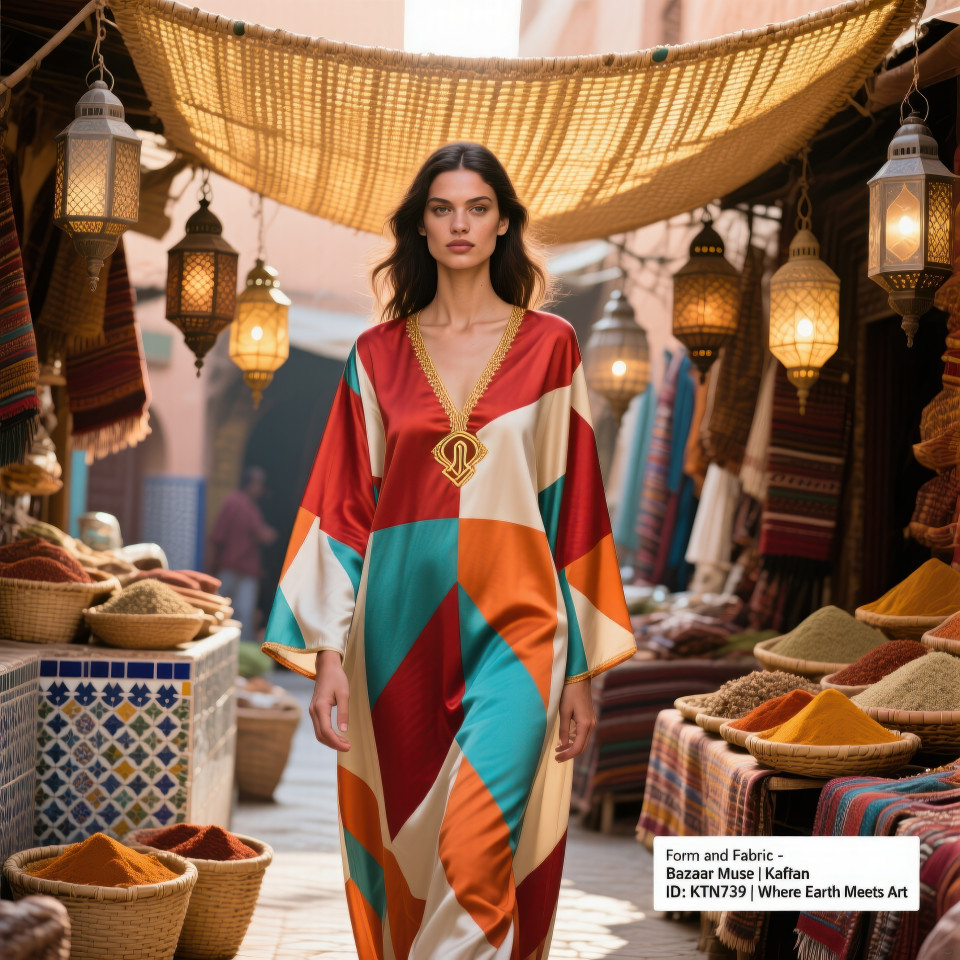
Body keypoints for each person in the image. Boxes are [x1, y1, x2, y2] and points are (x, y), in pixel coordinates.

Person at [261, 142, 636, 959]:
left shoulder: (552, 347)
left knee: (475, 850)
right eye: (442, 208)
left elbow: (574, 508)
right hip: (398, 640)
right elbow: (343, 509)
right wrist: (328, 654)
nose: (459, 223)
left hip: (521, 632)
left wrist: (579, 671)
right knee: (408, 858)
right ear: (421, 229)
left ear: (503, 223)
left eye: (476, 207)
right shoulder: (375, 355)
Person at [208, 465, 276, 643]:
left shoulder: (238, 502)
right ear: (251, 484)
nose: (261, 489)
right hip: (234, 568)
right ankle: (230, 648)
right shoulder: (240, 503)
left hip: (237, 568)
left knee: (227, 610)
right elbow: (264, 535)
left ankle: (228, 649)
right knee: (236, 612)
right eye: (259, 484)